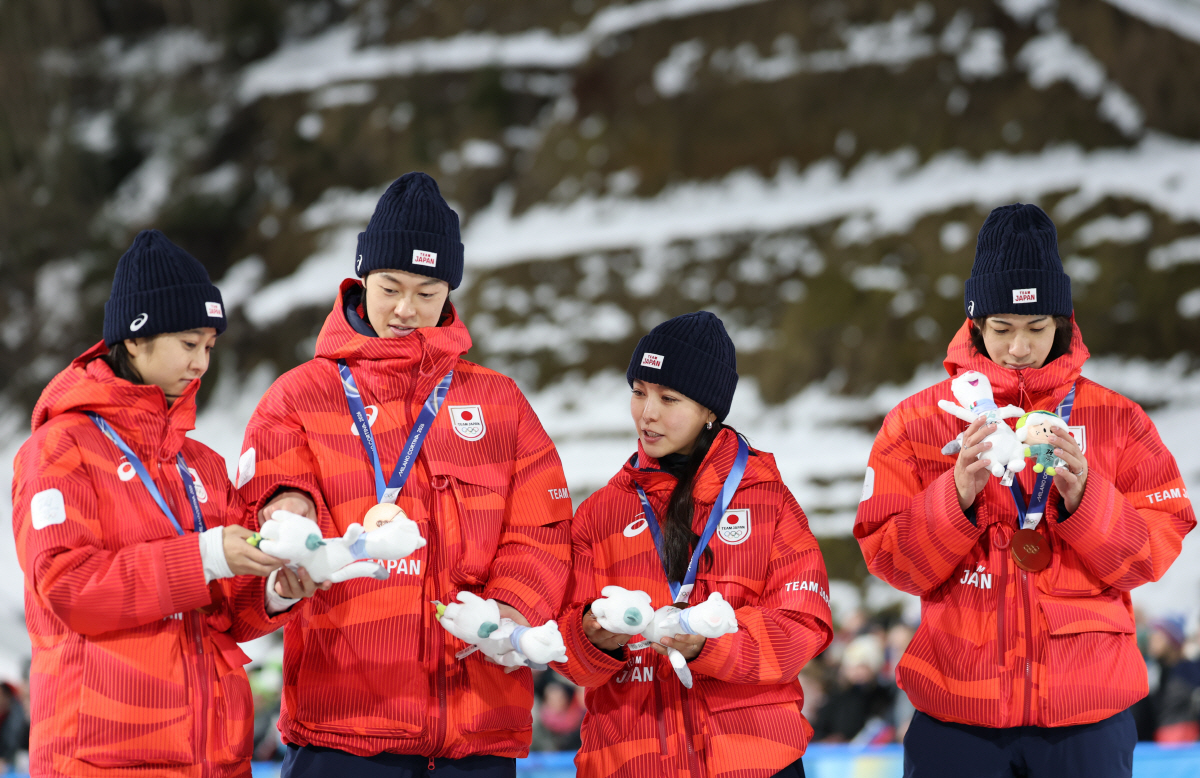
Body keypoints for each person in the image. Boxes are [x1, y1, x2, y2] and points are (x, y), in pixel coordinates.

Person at [237, 172, 573, 777]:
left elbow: (542, 531)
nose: (405, 310)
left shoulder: (498, 403)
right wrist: (291, 530)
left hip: (478, 733)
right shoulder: (299, 397)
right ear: (362, 278)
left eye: (428, 291)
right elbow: (272, 504)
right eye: (390, 286)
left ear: (451, 291)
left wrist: (511, 617)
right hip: (344, 734)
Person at [855, 203, 1196, 778]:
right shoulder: (916, 423)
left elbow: (1153, 551)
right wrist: (954, 497)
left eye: (1037, 328)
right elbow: (890, 559)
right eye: (1002, 329)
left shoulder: (1120, 420)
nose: (1018, 348)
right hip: (955, 714)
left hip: (1088, 715)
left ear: (1061, 323)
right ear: (975, 325)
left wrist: (1088, 498)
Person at [11, 230, 319, 777]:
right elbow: (69, 588)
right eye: (188, 344)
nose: (201, 363)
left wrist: (271, 593)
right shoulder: (60, 448)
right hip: (106, 762)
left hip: (215, 760)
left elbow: (224, 611)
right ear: (134, 339)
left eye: (209, 347)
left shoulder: (198, 462)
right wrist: (204, 555)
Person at [556, 312, 833, 778]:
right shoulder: (600, 513)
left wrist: (711, 646)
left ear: (710, 410)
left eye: (669, 398)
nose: (648, 412)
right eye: (639, 392)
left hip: (754, 762)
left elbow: (804, 625)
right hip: (630, 760)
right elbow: (566, 651)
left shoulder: (765, 500)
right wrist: (591, 639)